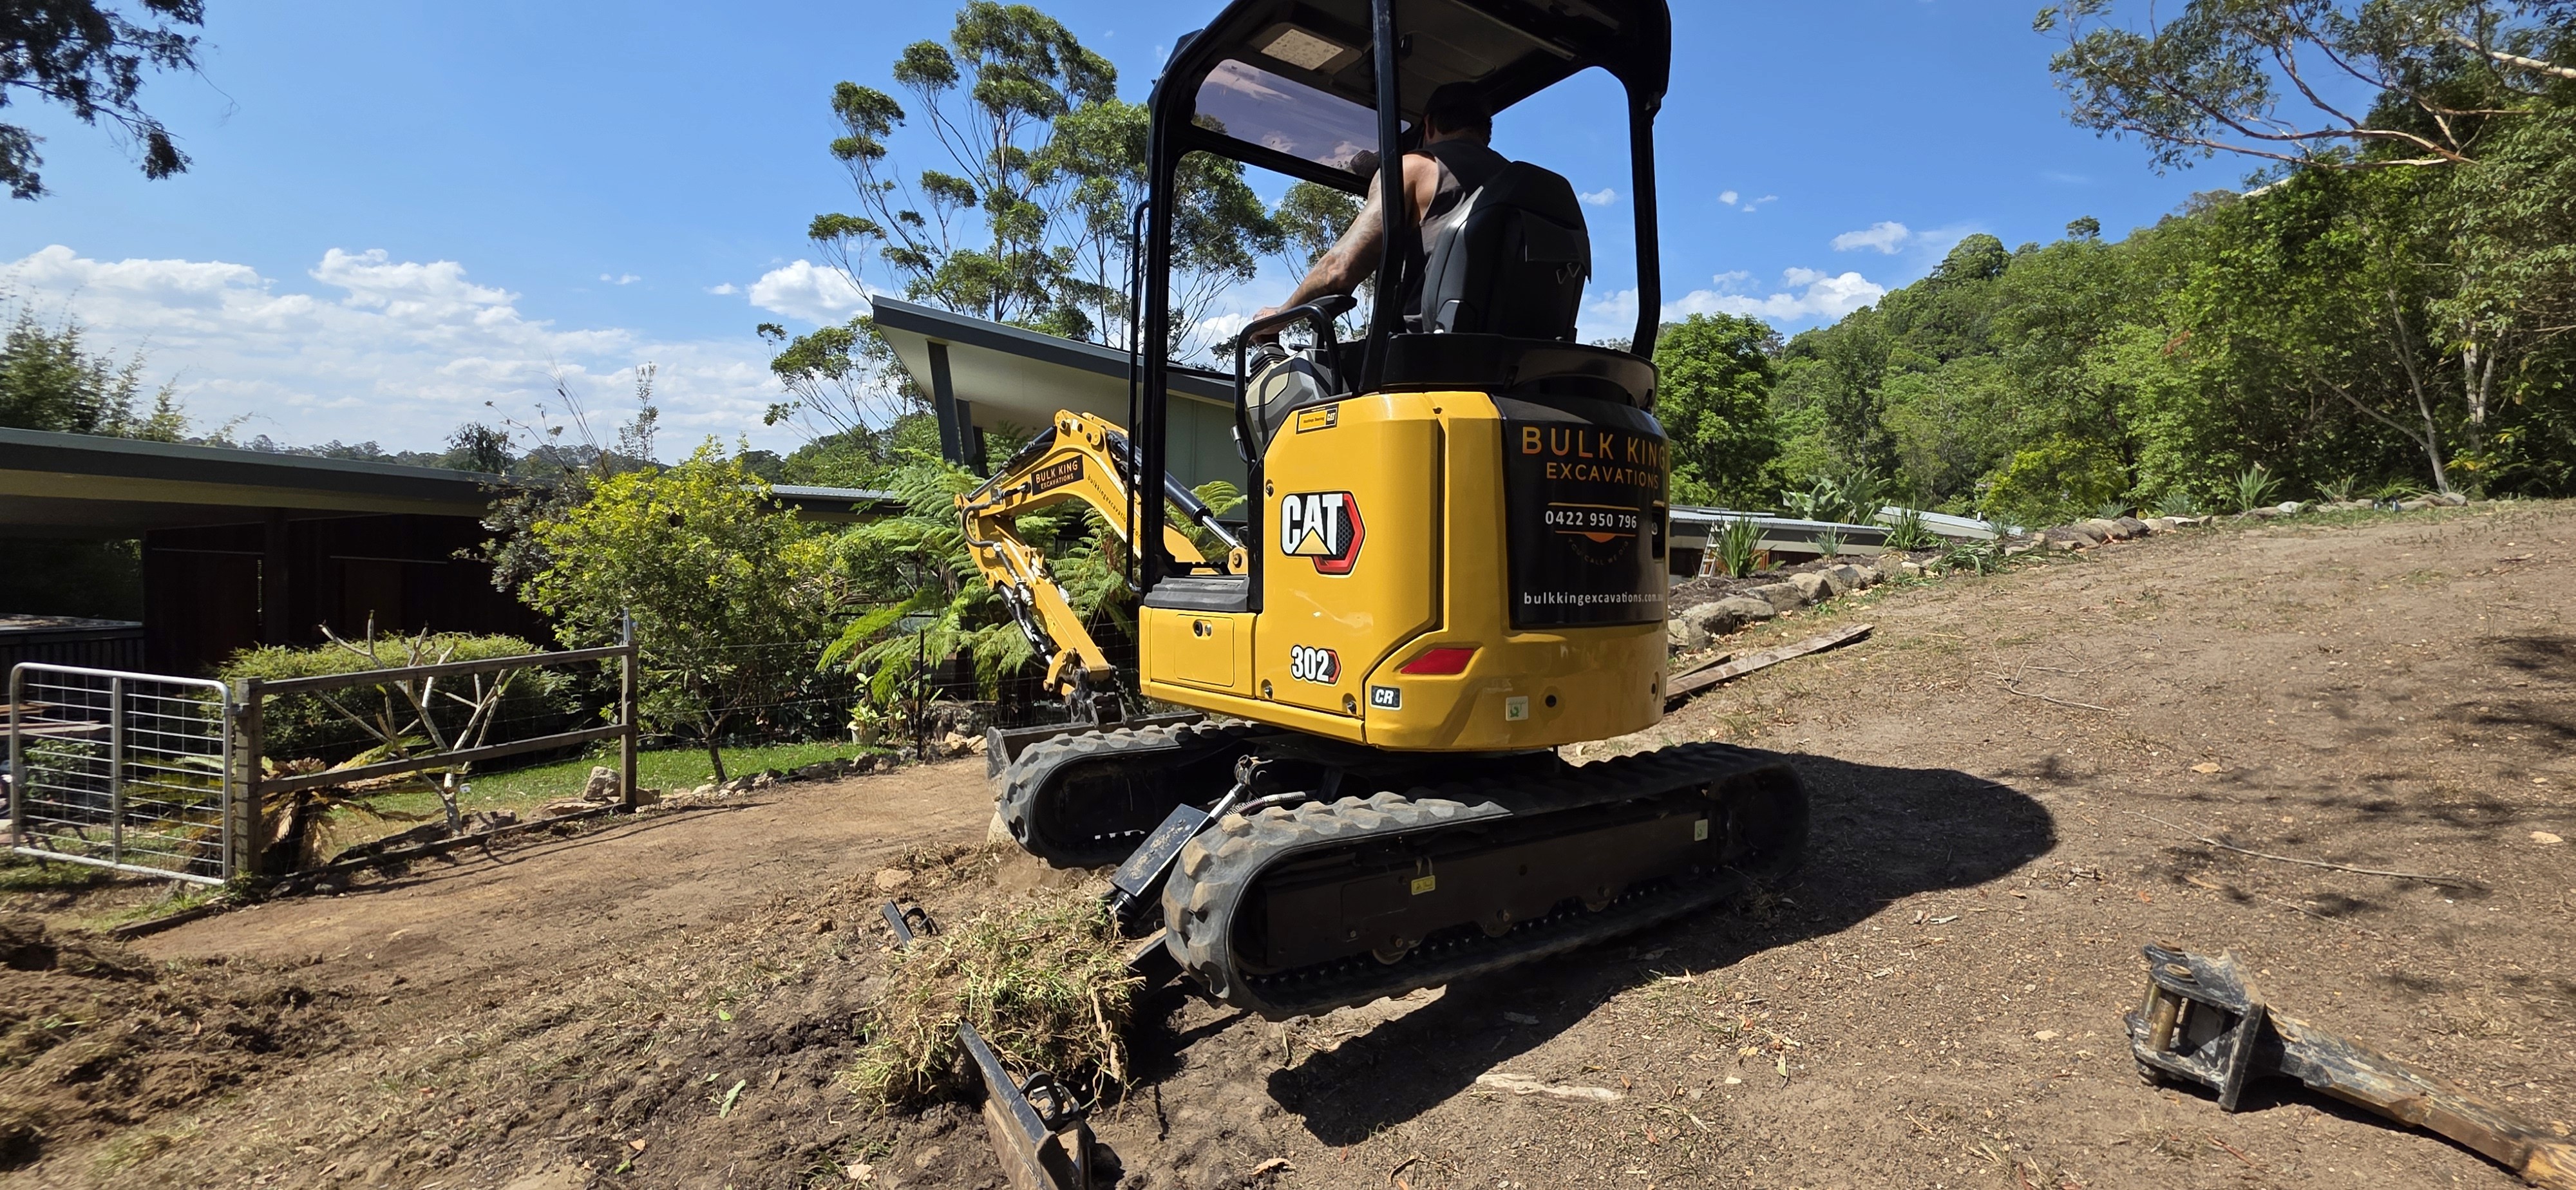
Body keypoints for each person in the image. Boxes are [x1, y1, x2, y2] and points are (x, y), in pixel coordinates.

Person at [1251, 80, 1507, 339]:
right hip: (1518, 361)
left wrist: (1280, 315)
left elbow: (1338, 270)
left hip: (1423, 357)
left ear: (1428, 126)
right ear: (1487, 133)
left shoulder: (1413, 168)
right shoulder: (1518, 183)